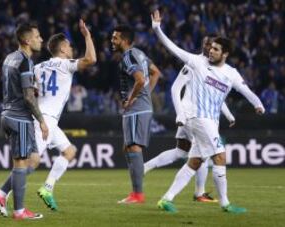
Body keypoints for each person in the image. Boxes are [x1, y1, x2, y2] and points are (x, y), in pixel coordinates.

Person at [151, 10, 265, 213]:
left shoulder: (231, 73)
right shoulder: (197, 62)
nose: (211, 51)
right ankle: (225, 204)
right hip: (198, 118)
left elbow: (245, 90)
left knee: (194, 161)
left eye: (216, 49)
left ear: (225, 54)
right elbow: (173, 49)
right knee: (220, 156)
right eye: (211, 48)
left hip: (211, 121)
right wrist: (157, 29)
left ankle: (166, 199)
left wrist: (258, 104)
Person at [144, 35, 236, 203]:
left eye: (213, 45)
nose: (209, 47)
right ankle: (199, 193)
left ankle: (144, 167)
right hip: (192, 116)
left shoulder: (214, 68)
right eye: (207, 44)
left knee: (182, 152)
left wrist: (228, 115)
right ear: (203, 45)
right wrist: (181, 113)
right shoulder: (194, 63)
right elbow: (175, 88)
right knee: (203, 153)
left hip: (194, 116)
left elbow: (215, 97)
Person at [34, 19, 96, 210]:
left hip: (45, 118)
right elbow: (91, 59)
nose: (71, 49)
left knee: (69, 152)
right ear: (62, 49)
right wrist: (87, 36)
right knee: (30, 163)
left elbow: (32, 94)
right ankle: (2, 193)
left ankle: (47, 188)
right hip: (46, 120)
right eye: (68, 45)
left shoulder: (38, 68)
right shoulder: (66, 65)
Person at [0, 22, 49, 220]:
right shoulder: (25, 61)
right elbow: (28, 97)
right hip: (19, 117)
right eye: (37, 36)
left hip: (7, 113)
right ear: (26, 40)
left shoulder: (9, 58)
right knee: (21, 163)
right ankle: (19, 211)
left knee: (33, 159)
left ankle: (1, 193)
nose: (41, 39)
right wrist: (41, 120)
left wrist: (30, 89)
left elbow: (13, 86)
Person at [111, 25, 161, 204]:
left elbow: (140, 79)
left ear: (124, 40)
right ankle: (135, 192)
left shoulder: (128, 57)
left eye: (115, 38)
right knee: (128, 147)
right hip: (142, 107)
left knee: (133, 147)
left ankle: (137, 194)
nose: (112, 41)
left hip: (136, 109)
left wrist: (132, 98)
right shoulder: (140, 53)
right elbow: (156, 73)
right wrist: (145, 93)